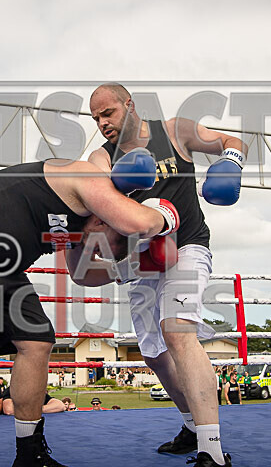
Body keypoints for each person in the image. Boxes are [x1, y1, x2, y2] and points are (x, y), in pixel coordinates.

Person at [0, 158, 175, 467]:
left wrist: (131, 268)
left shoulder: (81, 229)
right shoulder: (88, 180)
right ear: (105, 219)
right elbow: (139, 223)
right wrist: (167, 217)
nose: (93, 250)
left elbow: (81, 274)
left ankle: (30, 454)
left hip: (0, 263)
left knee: (36, 340)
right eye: (100, 244)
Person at [86, 83, 244, 466]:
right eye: (96, 119)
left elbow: (231, 140)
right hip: (141, 256)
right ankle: (192, 425)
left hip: (187, 243)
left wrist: (231, 165)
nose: (103, 124)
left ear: (129, 104)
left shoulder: (174, 131)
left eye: (108, 113)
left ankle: (212, 450)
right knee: (154, 353)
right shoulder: (100, 158)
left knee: (178, 331)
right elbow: (95, 206)